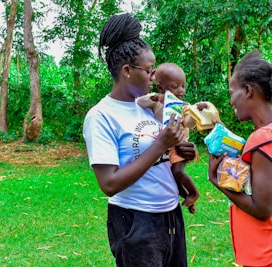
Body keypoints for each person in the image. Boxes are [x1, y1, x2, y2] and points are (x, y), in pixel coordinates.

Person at [82, 13, 196, 267]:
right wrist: (160, 145)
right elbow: (109, 183)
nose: (154, 77)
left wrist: (180, 149)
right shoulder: (101, 116)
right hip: (135, 223)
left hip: (170, 216)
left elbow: (163, 156)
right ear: (126, 71)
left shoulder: (149, 106)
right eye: (149, 70)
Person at [208, 50, 272, 267]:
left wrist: (217, 181)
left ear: (248, 91)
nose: (230, 101)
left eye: (232, 92)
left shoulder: (263, 138)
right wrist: (216, 125)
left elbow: (262, 209)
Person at [136, 62, 201, 214]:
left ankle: (194, 193)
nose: (181, 90)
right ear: (160, 87)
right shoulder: (157, 104)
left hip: (180, 146)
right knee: (172, 179)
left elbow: (190, 123)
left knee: (178, 172)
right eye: (175, 86)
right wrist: (157, 98)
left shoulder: (183, 106)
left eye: (183, 86)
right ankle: (188, 199)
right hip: (166, 148)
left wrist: (195, 111)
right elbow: (140, 102)